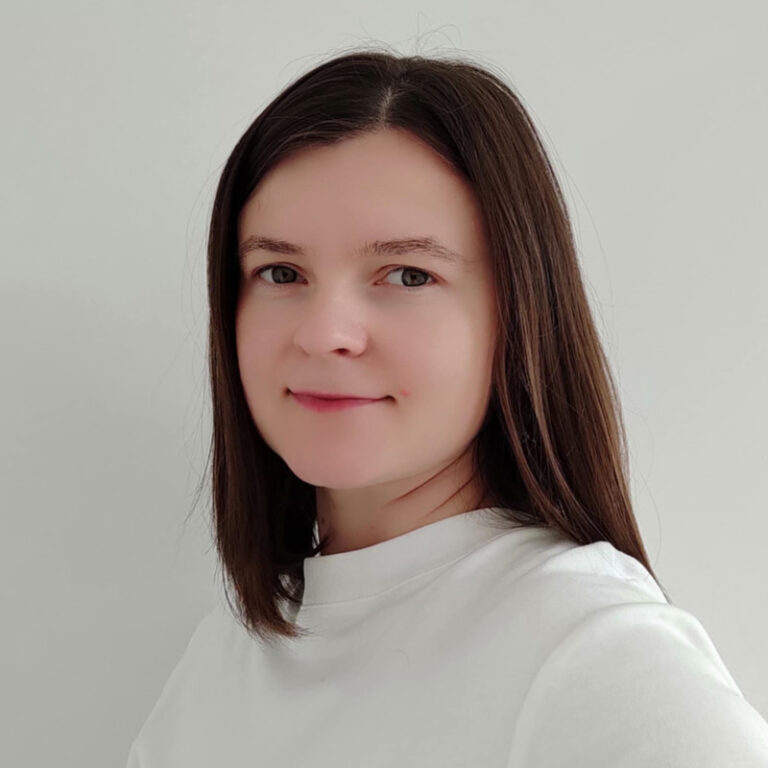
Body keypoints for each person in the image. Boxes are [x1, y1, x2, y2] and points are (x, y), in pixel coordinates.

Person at [126, 47, 768, 766]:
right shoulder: (223, 659)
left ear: (517, 313)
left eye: (407, 274)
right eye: (280, 272)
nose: (324, 332)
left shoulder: (596, 658)